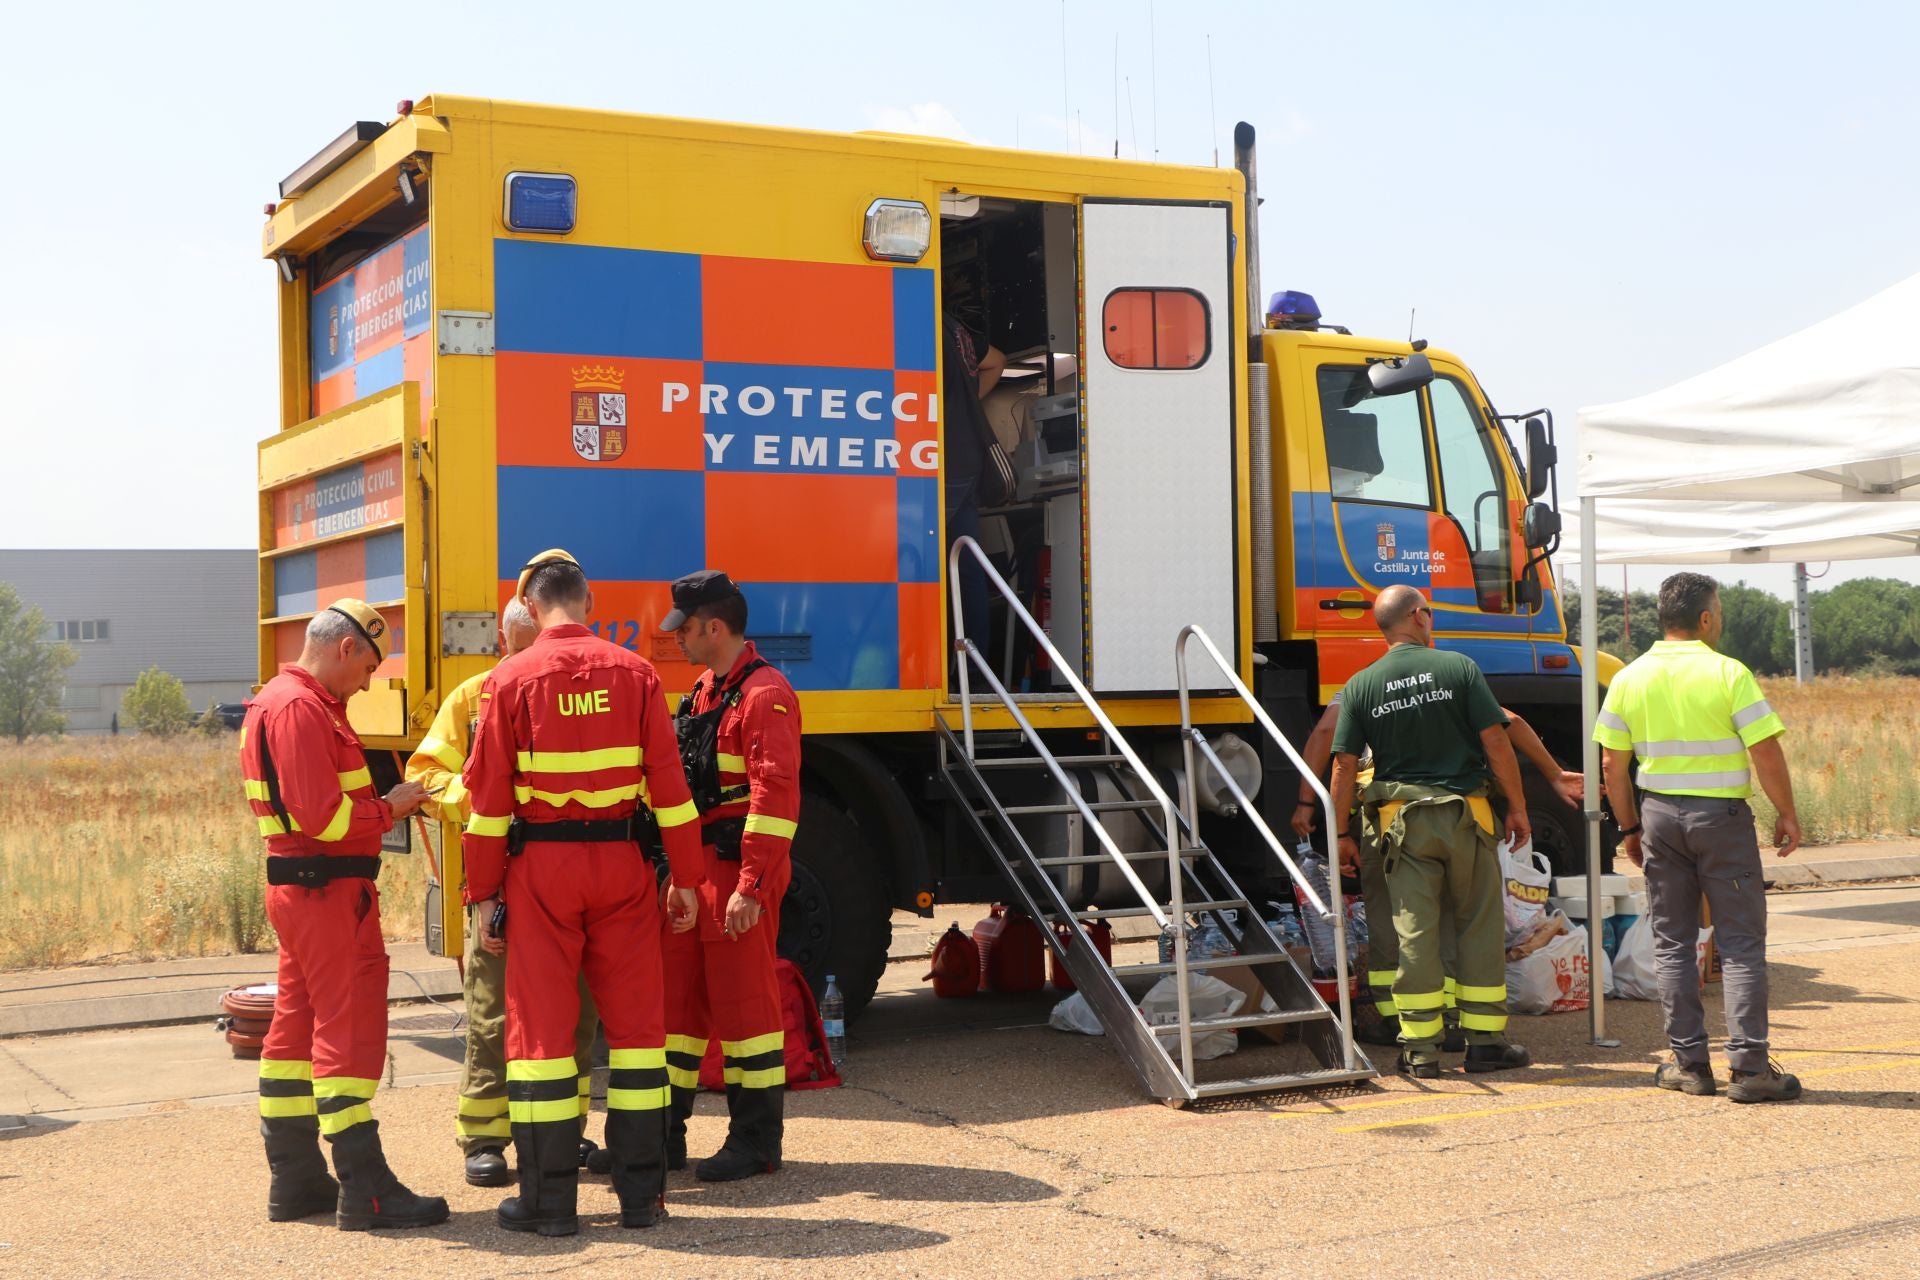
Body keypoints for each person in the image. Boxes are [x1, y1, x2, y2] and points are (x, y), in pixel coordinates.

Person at [462, 549, 704, 1236]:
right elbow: (672, 792)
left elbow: (485, 808)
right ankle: (640, 1199)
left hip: (541, 872)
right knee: (635, 1038)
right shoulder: (637, 674)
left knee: (540, 1037)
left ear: (531, 609)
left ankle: (549, 1206)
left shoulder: (508, 679)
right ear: (589, 602)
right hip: (624, 867)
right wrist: (686, 880)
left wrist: (482, 896)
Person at [239, 598, 446, 1230]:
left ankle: (297, 1180)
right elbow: (323, 819)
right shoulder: (304, 708)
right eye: (367, 671)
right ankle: (367, 1189)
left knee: (294, 1031)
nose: (364, 686)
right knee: (347, 1026)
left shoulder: (273, 701)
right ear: (345, 649)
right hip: (329, 893)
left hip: (301, 890)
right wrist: (394, 807)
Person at [404, 600, 604, 1187]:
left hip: (561, 879)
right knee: (493, 1015)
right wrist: (481, 798)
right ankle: (485, 1137)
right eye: (517, 648)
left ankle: (564, 1128)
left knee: (577, 1013)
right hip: (495, 885)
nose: (527, 660)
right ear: (500, 642)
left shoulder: (569, 689)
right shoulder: (471, 698)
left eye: (534, 647)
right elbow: (426, 772)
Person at [1595, 571, 1803, 1103]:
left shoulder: (1628, 677)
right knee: (1739, 944)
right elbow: (1765, 750)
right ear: (1705, 618)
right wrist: (1787, 811)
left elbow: (1612, 765)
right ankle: (1751, 1070)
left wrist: (1630, 828)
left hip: (1659, 818)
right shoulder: (1729, 673)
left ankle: (1690, 1065)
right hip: (1721, 822)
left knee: (1673, 943)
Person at [1293, 690, 1583, 1047]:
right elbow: (1508, 726)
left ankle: (1396, 1021)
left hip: (1385, 819)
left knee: (1391, 919)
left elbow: (1329, 741)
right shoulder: (1450, 679)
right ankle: (1459, 1022)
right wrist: (1550, 776)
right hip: (1459, 813)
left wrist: (1311, 806)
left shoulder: (1364, 685)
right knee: (1460, 918)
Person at [1329, 585, 1532, 1078]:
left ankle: (1420, 1050)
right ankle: (1484, 1045)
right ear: (1419, 616)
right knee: (1477, 927)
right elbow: (1497, 742)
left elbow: (1343, 765)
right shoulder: (1458, 668)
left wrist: (1338, 835)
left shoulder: (1361, 684)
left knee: (1414, 932)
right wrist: (1518, 807)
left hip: (1403, 825)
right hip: (1467, 817)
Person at [659, 570, 804, 1182]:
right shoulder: (705, 690)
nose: (678, 640)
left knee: (747, 1014)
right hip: (699, 869)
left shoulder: (764, 694)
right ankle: (662, 1137)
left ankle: (756, 1141)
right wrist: (681, 874)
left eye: (686, 629)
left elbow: (775, 800)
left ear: (714, 627)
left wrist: (751, 886)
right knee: (678, 1009)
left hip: (739, 870)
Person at [941, 309, 1005, 663]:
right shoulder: (956, 328)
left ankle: (951, 663)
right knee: (966, 566)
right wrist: (968, 402)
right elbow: (997, 361)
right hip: (967, 461)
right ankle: (975, 665)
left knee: (928, 564)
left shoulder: (916, 320)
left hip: (942, 459)